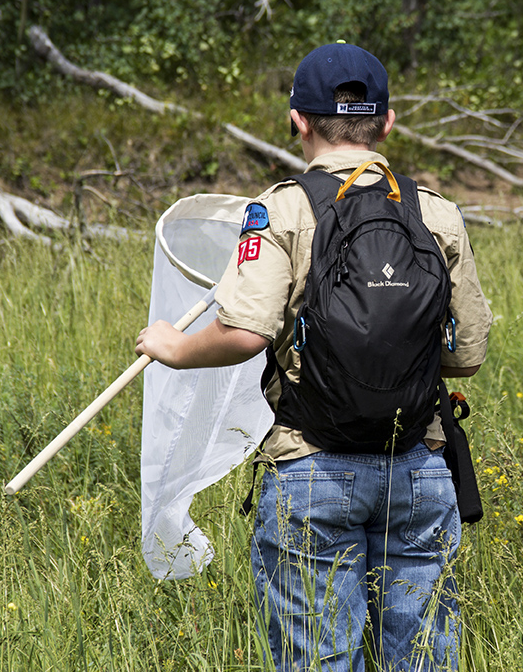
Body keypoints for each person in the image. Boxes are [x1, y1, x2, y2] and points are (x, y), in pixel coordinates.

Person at [135, 42, 492, 672]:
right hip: (419, 466)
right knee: (423, 660)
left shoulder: (280, 210)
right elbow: (468, 352)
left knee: (320, 660)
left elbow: (245, 332)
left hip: (311, 466)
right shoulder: (436, 213)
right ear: (387, 122)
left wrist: (174, 349)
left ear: (298, 120)